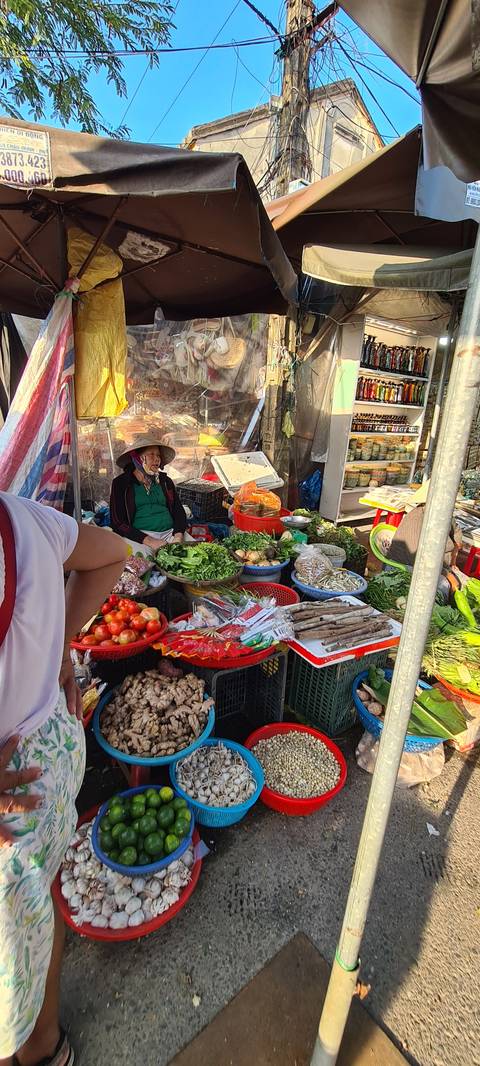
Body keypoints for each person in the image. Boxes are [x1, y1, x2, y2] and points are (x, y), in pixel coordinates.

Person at [0, 490, 127, 1066]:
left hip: (20, 807)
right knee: (36, 916)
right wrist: (58, 644)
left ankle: (38, 1046)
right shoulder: (22, 517)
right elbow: (113, 553)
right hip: (47, 770)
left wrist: (56, 645)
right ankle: (46, 1047)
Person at [109, 435, 187, 555]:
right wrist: (151, 541)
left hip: (171, 534)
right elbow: (117, 522)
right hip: (140, 538)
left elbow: (179, 512)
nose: (157, 459)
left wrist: (178, 536)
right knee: (143, 567)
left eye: (158, 455)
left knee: (194, 560)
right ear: (137, 458)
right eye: (151, 454)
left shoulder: (166, 482)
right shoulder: (121, 484)